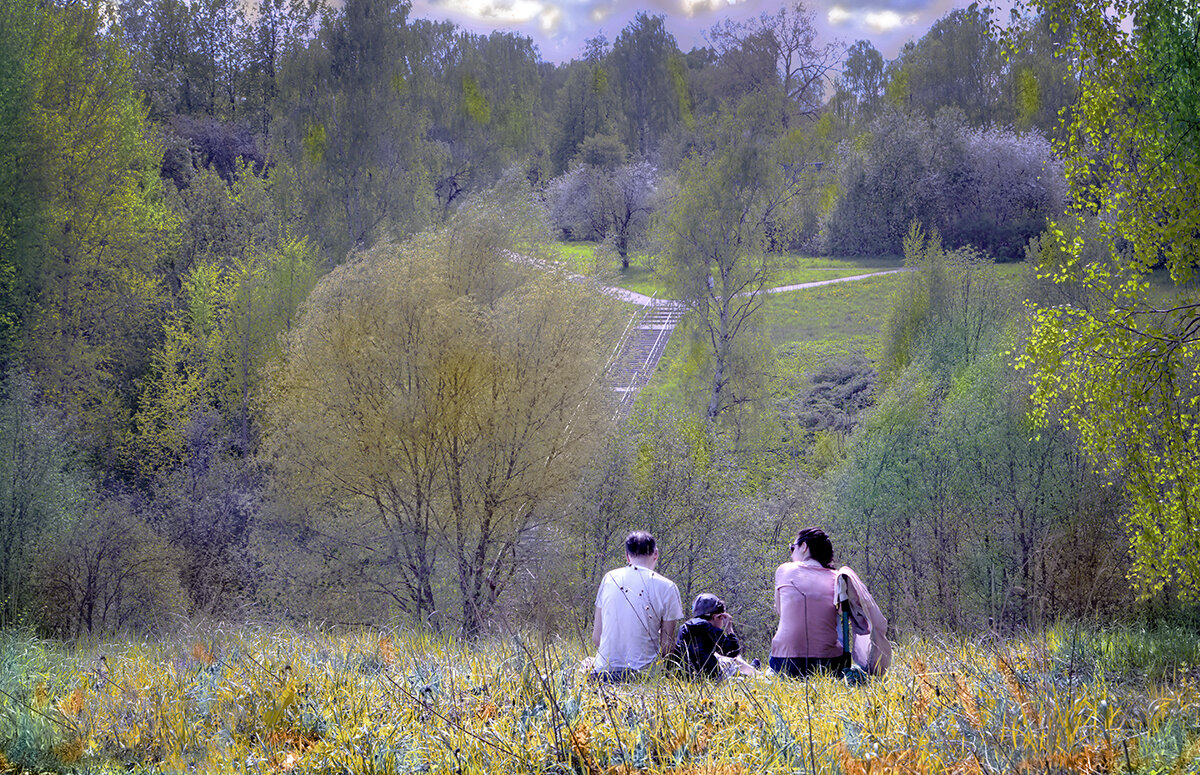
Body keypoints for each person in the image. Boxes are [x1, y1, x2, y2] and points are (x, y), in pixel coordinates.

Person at [591, 531, 684, 682]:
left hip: (603, 673)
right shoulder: (668, 587)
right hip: (643, 677)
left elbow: (596, 637)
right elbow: (667, 647)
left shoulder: (609, 578)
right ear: (656, 554)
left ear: (627, 556)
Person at [769, 527, 850, 678]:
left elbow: (780, 611)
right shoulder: (837, 577)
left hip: (786, 662)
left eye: (792, 548)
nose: (792, 554)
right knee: (835, 617)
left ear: (804, 547)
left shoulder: (784, 570)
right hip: (828, 663)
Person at [676, 593, 742, 679]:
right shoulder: (707, 628)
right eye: (722, 618)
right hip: (710, 677)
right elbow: (733, 651)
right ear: (715, 616)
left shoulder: (684, 627)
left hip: (685, 678)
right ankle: (755, 671)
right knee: (735, 665)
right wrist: (729, 628)